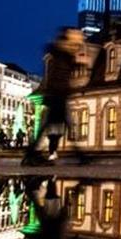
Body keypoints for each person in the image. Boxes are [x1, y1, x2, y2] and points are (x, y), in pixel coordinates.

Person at [24, 28, 87, 165]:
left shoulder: (63, 54)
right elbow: (60, 73)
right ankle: (81, 156)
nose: (78, 42)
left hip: (58, 94)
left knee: (52, 125)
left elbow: (69, 67)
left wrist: (79, 63)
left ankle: (31, 154)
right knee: (62, 125)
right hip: (57, 94)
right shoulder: (61, 54)